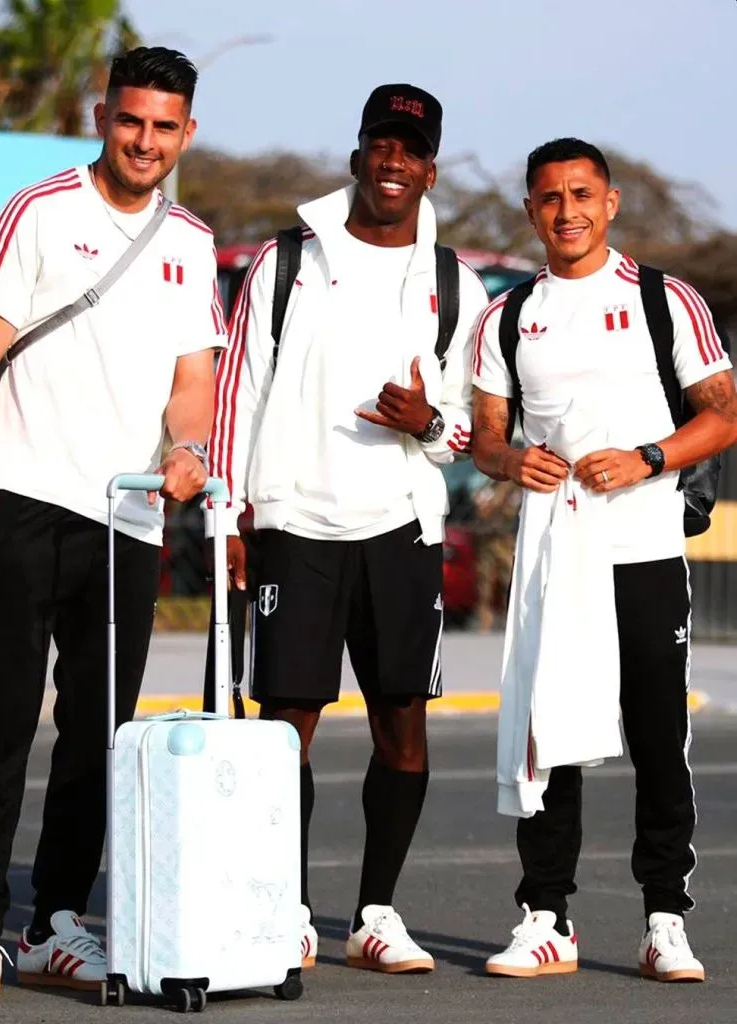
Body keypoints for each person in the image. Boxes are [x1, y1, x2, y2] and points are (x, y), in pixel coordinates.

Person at [0, 46, 225, 999]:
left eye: (164, 126)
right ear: (104, 116)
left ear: (187, 132)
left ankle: (57, 923)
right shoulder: (41, 209)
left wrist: (187, 450)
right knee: (4, 722)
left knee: (99, 729)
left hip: (127, 522)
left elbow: (193, 384)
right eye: (130, 120)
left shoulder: (189, 241)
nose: (145, 141)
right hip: (22, 505)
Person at [207, 84, 488, 974]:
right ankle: (284, 909)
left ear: (428, 166)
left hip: (400, 528)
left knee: (402, 724)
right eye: (381, 143)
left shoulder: (456, 282)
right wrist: (232, 515)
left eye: (411, 148)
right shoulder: (287, 262)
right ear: (358, 154)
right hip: (294, 520)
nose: (394, 161)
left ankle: (374, 913)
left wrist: (425, 423)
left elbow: (469, 431)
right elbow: (236, 392)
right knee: (284, 727)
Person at [471, 138, 737, 982]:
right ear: (529, 210)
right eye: (548, 198)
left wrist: (648, 458)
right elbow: (482, 434)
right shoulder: (507, 315)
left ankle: (665, 919)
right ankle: (545, 918)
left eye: (581, 194)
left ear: (610, 202)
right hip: (555, 557)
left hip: (645, 549)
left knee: (658, 738)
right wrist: (512, 461)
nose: (566, 211)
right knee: (548, 737)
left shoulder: (666, 300)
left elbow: (722, 417)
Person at [470, 477, 521, 633]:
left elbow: (510, 511)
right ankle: (484, 621)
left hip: (505, 540)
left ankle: (511, 621)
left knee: (509, 581)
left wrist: (495, 503)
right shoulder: (490, 485)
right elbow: (479, 505)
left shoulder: (514, 488)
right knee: (484, 583)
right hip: (487, 539)